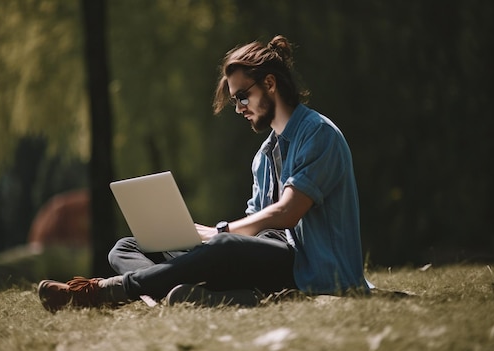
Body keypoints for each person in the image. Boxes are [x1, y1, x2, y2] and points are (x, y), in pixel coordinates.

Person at [38, 35, 369, 311]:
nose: (238, 108)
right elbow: (256, 229)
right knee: (126, 246)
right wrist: (202, 239)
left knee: (223, 245)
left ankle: (101, 292)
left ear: (270, 83)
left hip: (309, 268)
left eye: (242, 96)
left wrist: (219, 234)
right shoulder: (263, 156)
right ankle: (174, 292)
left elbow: (287, 212)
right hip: (267, 262)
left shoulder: (319, 134)